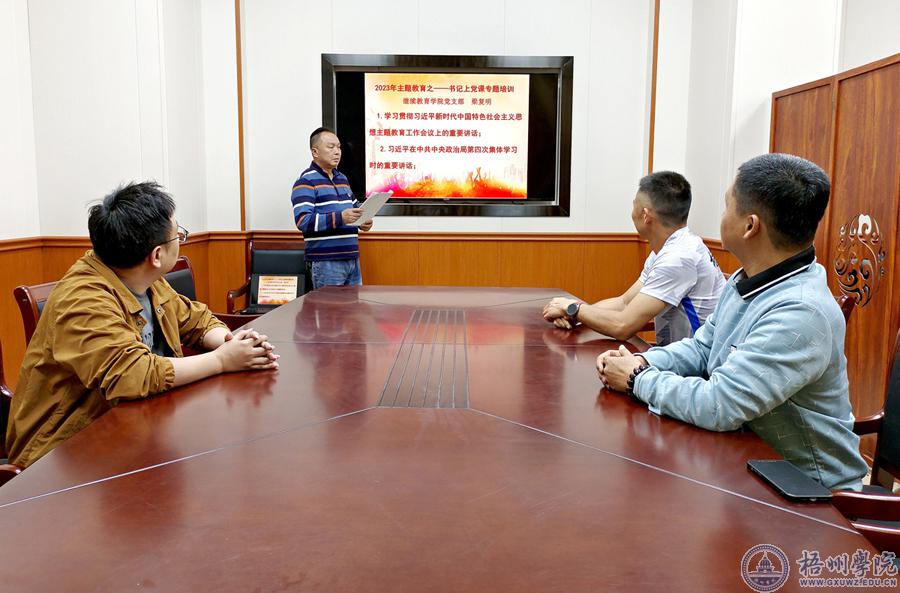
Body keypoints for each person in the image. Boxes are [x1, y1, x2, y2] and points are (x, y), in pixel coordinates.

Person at [597, 154, 868, 490]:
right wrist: (643, 360)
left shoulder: (800, 311)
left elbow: (719, 405)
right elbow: (702, 348)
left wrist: (636, 378)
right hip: (745, 459)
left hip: (808, 489)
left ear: (750, 226)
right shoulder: (748, 278)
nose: (721, 216)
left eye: (727, 206)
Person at [5, 182, 279, 468]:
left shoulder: (141, 276)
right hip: (60, 455)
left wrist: (229, 343)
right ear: (157, 255)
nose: (181, 240)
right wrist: (221, 361)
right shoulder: (82, 300)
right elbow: (133, 375)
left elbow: (194, 318)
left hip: (135, 427)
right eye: (178, 236)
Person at [542, 171, 725, 346]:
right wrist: (574, 314)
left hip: (699, 365)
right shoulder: (670, 249)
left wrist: (574, 308)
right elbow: (624, 302)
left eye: (634, 205)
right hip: (676, 357)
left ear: (645, 215)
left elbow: (623, 326)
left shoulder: (678, 258)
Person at [291, 127, 373, 290]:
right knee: (329, 307)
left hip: (352, 258)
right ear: (315, 152)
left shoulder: (342, 179)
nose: (337, 152)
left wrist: (363, 221)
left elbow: (354, 209)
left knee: (354, 306)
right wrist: (341, 217)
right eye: (331, 147)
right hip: (326, 261)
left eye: (339, 147)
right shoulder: (306, 181)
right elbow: (303, 221)